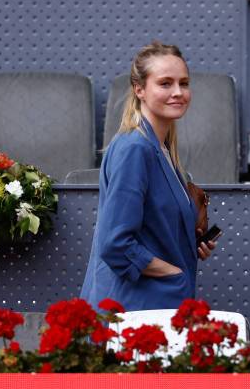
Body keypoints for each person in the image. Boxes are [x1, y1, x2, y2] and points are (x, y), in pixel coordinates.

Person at [81, 42, 217, 311]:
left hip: (154, 306)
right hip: (133, 310)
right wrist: (172, 273)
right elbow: (116, 245)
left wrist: (189, 244)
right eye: (165, 83)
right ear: (139, 89)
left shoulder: (162, 150)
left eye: (184, 83)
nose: (178, 92)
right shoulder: (135, 149)